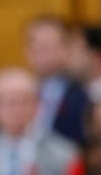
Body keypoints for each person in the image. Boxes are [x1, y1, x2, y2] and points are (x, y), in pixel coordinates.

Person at [23, 14, 89, 144]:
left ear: (67, 48)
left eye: (46, 45)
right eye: (33, 44)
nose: (38, 51)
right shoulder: (19, 89)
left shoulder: (85, 93)